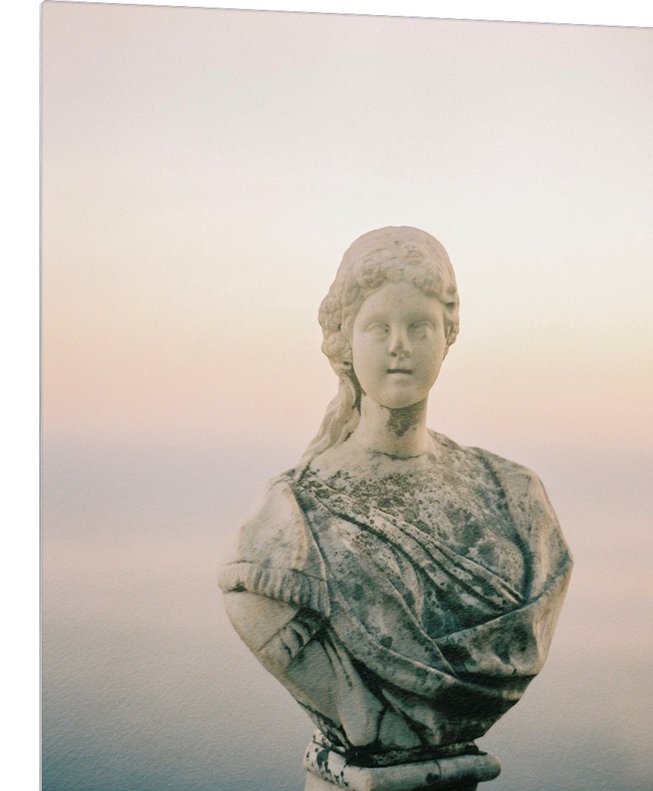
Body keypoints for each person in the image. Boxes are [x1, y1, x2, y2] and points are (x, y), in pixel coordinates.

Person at [220, 227, 572, 762]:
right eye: (379, 327)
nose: (400, 346)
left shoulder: (515, 496)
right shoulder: (289, 520)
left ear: (447, 337)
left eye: (419, 327)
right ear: (346, 341)